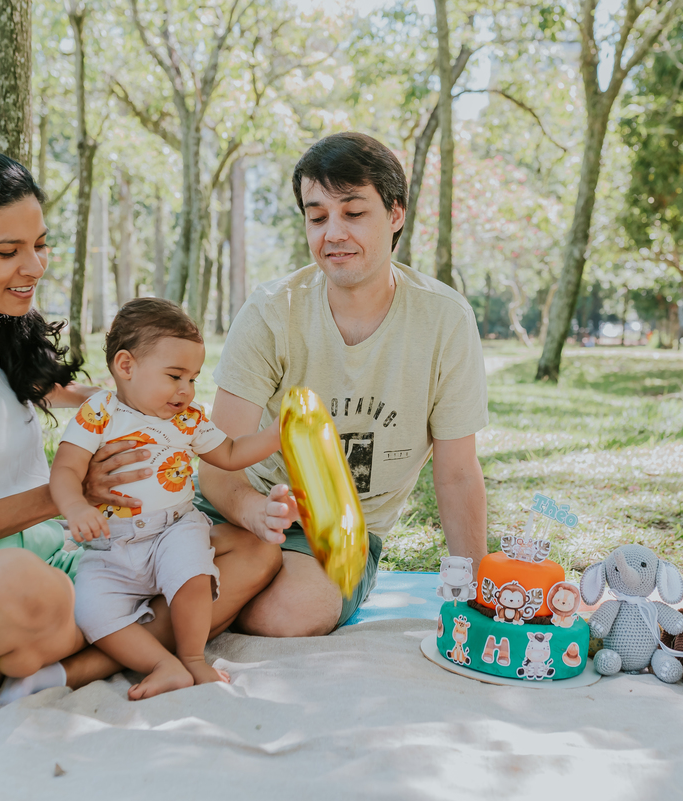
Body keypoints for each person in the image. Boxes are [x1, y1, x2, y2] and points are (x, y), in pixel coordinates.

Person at [0, 150, 281, 708]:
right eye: (8, 251)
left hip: (47, 559)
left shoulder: (2, 329)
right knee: (29, 590)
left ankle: (58, 671)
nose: (34, 266)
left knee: (250, 552)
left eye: (39, 244)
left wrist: (155, 399)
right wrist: (67, 493)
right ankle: (84, 647)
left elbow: (101, 398)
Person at [197, 131, 490, 636]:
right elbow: (217, 465)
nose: (333, 233)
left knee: (296, 612)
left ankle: (194, 602)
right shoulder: (271, 312)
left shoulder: (445, 320)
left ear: (396, 214)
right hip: (240, 508)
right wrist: (255, 515)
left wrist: (483, 594)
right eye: (317, 217)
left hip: (340, 535)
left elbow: (458, 473)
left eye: (353, 213)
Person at [50, 298, 280, 699]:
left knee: (193, 575)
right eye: (175, 376)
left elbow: (229, 454)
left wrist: (276, 434)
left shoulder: (187, 420)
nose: (187, 390)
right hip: (111, 542)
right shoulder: (98, 412)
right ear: (126, 367)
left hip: (173, 527)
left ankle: (192, 658)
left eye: (192, 378)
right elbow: (66, 470)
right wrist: (75, 507)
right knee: (91, 610)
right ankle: (162, 665)